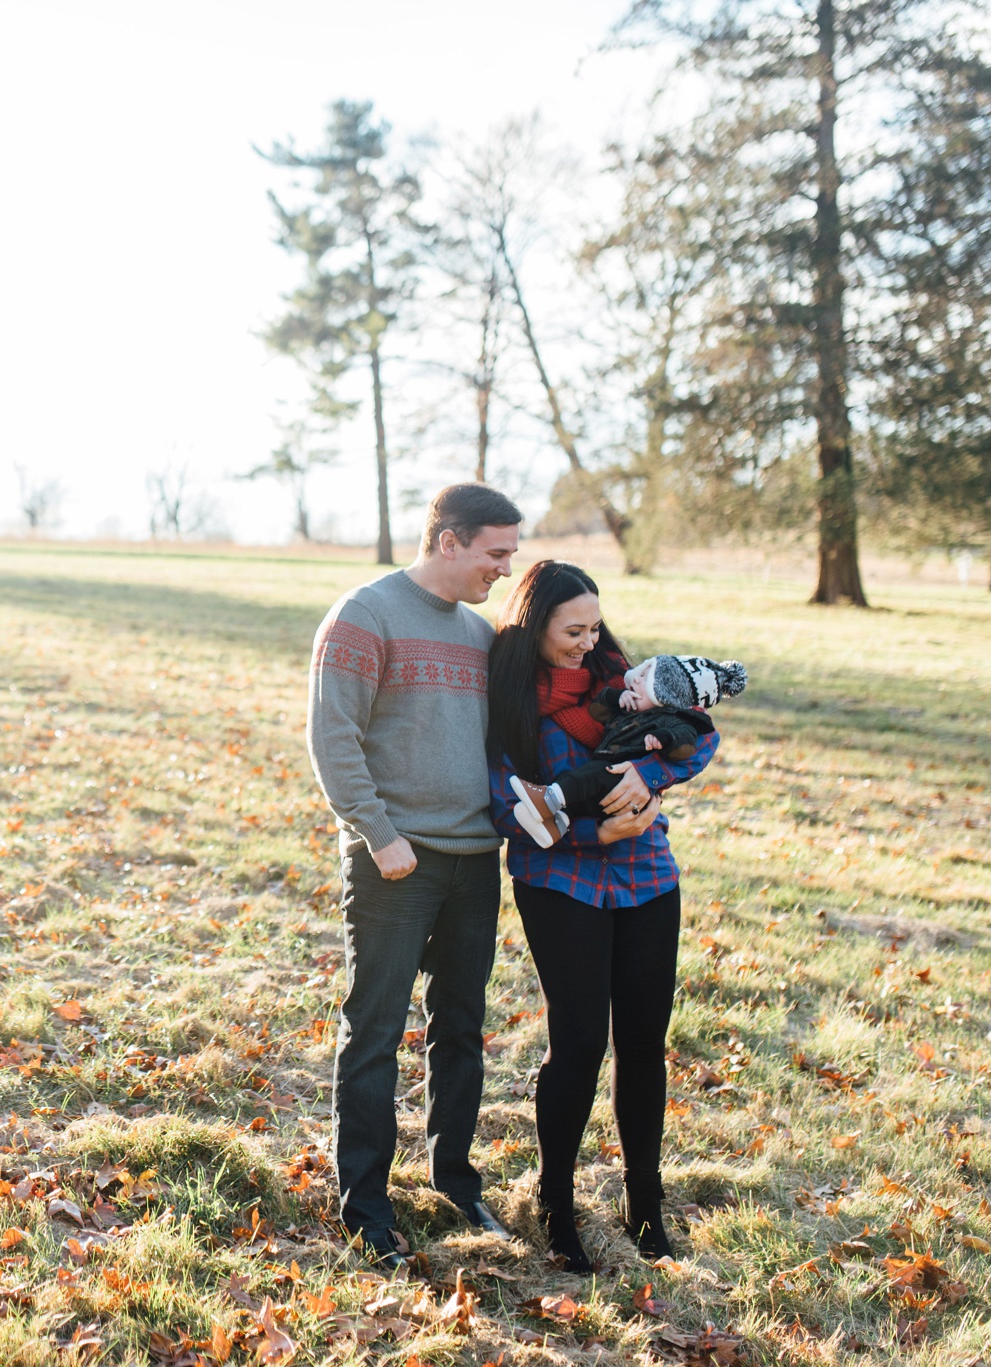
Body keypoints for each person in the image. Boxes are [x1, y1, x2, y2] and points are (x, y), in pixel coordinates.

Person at [306, 482, 523, 1264]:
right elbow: (333, 736)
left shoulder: (480, 634)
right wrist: (378, 833)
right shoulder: (364, 615)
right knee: (375, 1028)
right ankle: (363, 1205)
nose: (505, 567)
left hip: (475, 860)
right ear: (449, 541)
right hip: (395, 861)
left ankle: (453, 1180)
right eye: (496, 551)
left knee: (460, 1028)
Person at [484, 560, 719, 1272]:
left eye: (594, 625)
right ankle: (556, 1204)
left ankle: (645, 1205)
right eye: (571, 631)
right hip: (561, 882)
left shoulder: (626, 680)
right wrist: (595, 833)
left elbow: (697, 734)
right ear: (535, 627)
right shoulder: (509, 699)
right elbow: (506, 810)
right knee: (580, 1042)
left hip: (649, 879)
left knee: (645, 1041)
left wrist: (650, 777)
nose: (588, 641)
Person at [507, 653, 746, 847]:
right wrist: (616, 698)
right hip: (610, 774)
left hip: (618, 775)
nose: (635, 681)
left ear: (665, 696)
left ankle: (550, 797)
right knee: (585, 789)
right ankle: (558, 823)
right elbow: (597, 711)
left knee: (585, 778)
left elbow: (686, 742)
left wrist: (661, 740)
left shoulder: (671, 720)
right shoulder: (632, 708)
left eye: (646, 680)